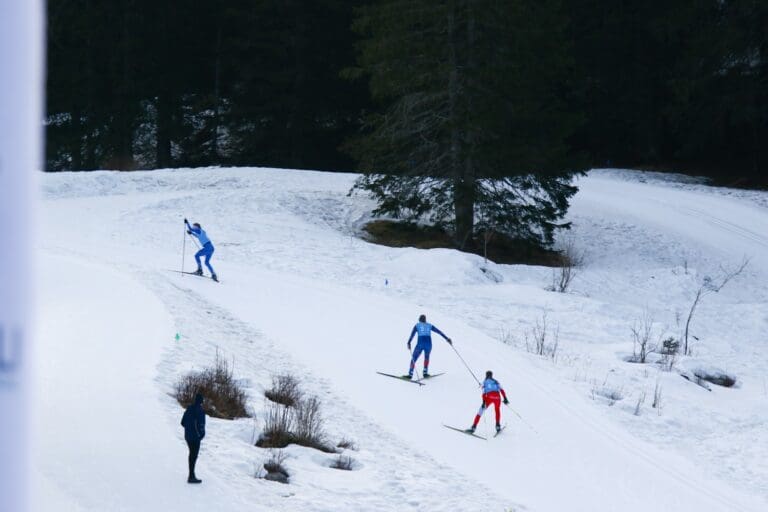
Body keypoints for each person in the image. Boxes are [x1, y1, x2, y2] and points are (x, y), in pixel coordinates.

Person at [406, 314, 452, 378]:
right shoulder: (429, 325)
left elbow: (412, 335)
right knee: (426, 357)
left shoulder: (417, 325)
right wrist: (447, 339)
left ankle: (410, 374)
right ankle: (425, 373)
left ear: (419, 320)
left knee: (414, 358)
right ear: (425, 320)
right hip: (428, 344)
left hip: (420, 343)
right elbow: (439, 332)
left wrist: (409, 342)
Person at [180, 392, 206, 484]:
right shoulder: (200, 411)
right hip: (195, 438)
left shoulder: (189, 408)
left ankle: (191, 474)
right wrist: (201, 435)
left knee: (191, 455)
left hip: (187, 436)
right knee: (193, 456)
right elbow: (201, 425)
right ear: (201, 401)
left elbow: (182, 423)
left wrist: (189, 429)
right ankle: (191, 476)